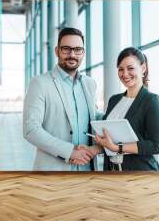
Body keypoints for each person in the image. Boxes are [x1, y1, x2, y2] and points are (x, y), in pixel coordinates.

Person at [23, 27, 101, 171]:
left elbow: (94, 117)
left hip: (87, 169)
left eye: (78, 49)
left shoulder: (90, 84)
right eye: (66, 49)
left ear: (83, 53)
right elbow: (31, 130)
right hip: (54, 171)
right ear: (57, 50)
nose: (72, 54)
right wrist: (69, 152)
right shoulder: (39, 83)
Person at [94, 47, 159, 171]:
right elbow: (110, 141)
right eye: (120, 69)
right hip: (111, 171)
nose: (125, 74)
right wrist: (92, 149)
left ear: (143, 69)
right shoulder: (114, 100)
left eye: (130, 68)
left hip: (140, 173)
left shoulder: (151, 100)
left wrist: (118, 148)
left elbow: (155, 145)